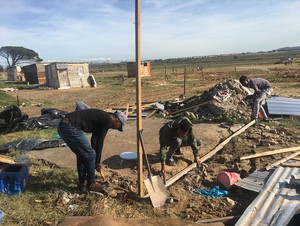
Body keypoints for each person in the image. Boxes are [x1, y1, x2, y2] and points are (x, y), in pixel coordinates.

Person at [57, 109, 126, 192]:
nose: (117, 128)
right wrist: (97, 162)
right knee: (90, 155)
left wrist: (96, 162)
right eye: (119, 126)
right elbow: (100, 142)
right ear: (116, 120)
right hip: (70, 128)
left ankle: (82, 183)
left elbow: (94, 140)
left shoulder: (102, 118)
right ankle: (91, 184)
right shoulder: (107, 120)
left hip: (64, 127)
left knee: (83, 155)